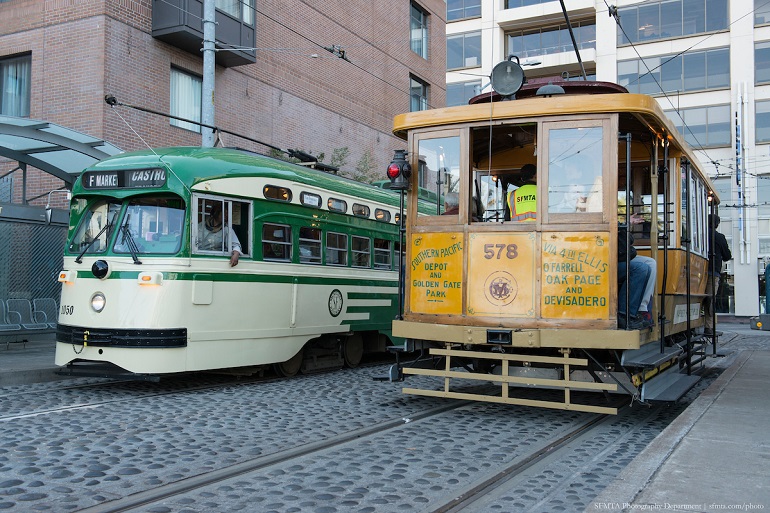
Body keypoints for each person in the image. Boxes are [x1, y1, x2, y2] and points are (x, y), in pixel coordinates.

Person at [618, 223, 652, 329]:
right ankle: (624, 314)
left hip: (617, 256)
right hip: (609, 258)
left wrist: (625, 225)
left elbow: (628, 240)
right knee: (640, 268)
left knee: (650, 264)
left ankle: (641, 309)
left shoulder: (615, 221)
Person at [705, 213, 732, 335]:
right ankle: (708, 326)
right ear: (716, 224)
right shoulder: (719, 237)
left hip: (698, 269)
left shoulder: (701, 235)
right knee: (711, 299)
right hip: (713, 270)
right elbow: (727, 256)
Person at [197, 202, 241, 266]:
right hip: (200, 259)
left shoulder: (227, 229)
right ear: (216, 213)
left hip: (217, 260)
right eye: (224, 213)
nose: (226, 215)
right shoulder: (200, 226)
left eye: (227, 213)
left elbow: (235, 244)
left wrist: (236, 253)